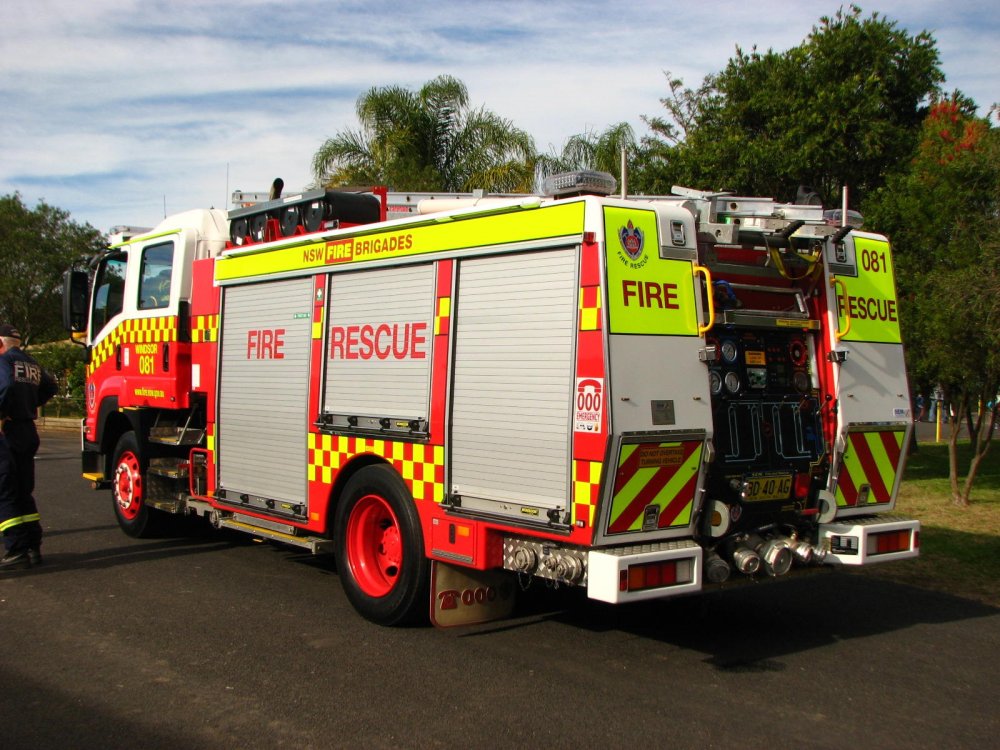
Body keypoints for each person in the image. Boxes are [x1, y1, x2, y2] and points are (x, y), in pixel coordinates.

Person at [0, 324, 57, 570]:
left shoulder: (5, 362)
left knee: (5, 490)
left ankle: (16, 549)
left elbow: (5, 386)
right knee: (24, 490)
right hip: (28, 429)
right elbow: (51, 386)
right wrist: (31, 403)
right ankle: (33, 546)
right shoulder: (29, 362)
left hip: (8, 431)